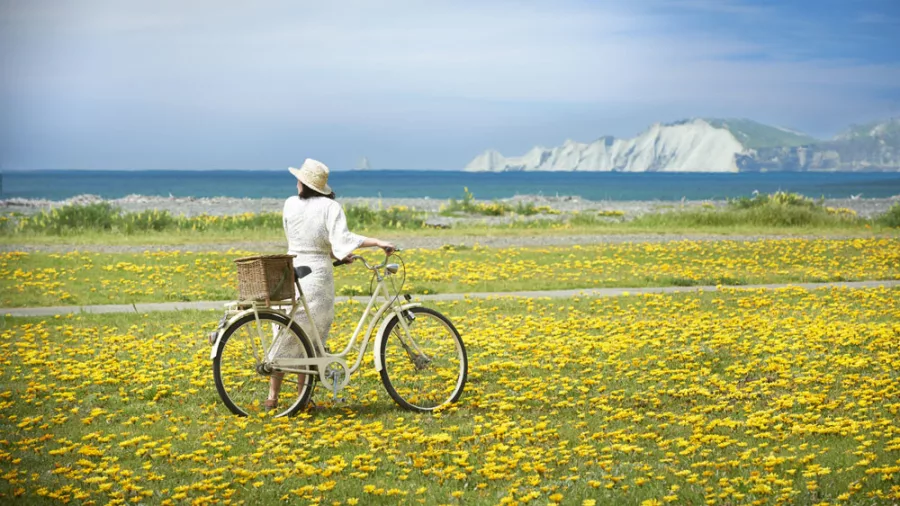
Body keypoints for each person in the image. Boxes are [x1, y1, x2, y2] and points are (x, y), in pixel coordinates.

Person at [266, 158, 394, 410]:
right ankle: (303, 398)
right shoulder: (329, 207)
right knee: (311, 338)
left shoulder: (290, 204)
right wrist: (377, 241)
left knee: (285, 331)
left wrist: (335, 254)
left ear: (303, 183)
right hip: (317, 277)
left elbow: (301, 239)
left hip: (290, 270)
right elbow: (340, 239)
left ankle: (272, 397)